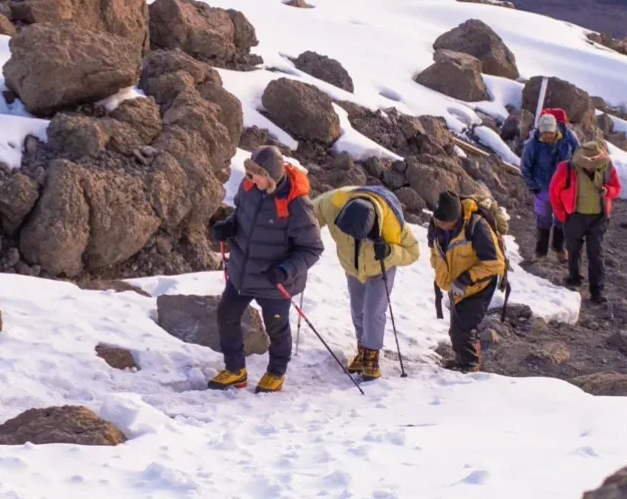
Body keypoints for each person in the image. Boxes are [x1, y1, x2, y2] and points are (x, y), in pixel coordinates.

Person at [208, 146, 324, 393]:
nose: (251, 179)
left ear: (271, 175)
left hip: (275, 280)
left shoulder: (297, 204)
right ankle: (235, 370)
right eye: (249, 174)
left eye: (257, 175)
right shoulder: (249, 189)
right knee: (226, 315)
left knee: (276, 328)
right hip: (242, 271)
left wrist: (285, 271)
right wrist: (228, 227)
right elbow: (242, 216)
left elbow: (312, 248)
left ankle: (276, 372)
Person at [313, 185, 420, 381]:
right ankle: (362, 348)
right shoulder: (333, 203)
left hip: (381, 267)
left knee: (373, 311)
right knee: (357, 309)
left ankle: (371, 355)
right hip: (352, 267)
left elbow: (413, 252)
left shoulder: (392, 222)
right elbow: (310, 215)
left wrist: (390, 251)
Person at [428, 190, 506, 373]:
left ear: (456, 218)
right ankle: (463, 360)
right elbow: (434, 250)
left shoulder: (477, 227)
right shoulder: (436, 224)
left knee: (463, 327)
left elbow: (495, 263)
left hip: (479, 284)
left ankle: (470, 365)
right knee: (457, 327)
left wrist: (465, 279)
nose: (439, 225)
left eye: (444, 222)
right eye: (437, 220)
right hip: (454, 283)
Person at [549, 141, 622, 305]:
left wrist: (608, 191)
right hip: (574, 216)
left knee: (595, 253)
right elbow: (555, 191)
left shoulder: (607, 167)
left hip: (598, 218)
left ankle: (597, 290)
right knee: (574, 251)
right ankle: (574, 280)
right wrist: (561, 215)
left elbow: (617, 187)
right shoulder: (566, 168)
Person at [520, 111, 579, 262]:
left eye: (550, 133)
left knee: (563, 217)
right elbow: (525, 167)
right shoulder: (532, 146)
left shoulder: (568, 137)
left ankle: (558, 247)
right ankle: (540, 251)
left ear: (555, 130)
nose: (547, 136)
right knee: (543, 218)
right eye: (544, 133)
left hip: (563, 187)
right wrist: (533, 186)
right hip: (543, 187)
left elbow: (579, 154)